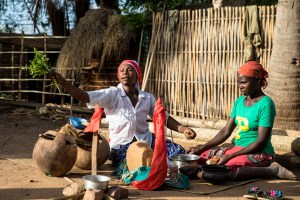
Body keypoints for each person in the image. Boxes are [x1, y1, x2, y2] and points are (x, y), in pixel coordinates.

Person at [52, 60, 197, 166]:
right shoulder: (112, 94)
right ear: (118, 76)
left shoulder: (147, 98)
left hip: (145, 140)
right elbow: (85, 96)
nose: (125, 73)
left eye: (129, 70)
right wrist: (64, 83)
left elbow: (162, 117)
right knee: (136, 162)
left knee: (178, 151)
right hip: (121, 145)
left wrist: (182, 128)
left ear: (137, 75)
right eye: (122, 70)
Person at [186, 61, 297, 182]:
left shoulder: (266, 104)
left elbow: (261, 142)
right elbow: (225, 132)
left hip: (260, 153)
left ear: (258, 81)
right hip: (237, 150)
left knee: (225, 169)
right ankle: (203, 171)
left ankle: (272, 170)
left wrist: (230, 156)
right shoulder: (239, 102)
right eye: (238, 82)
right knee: (199, 158)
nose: (240, 85)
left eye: (243, 82)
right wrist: (201, 148)